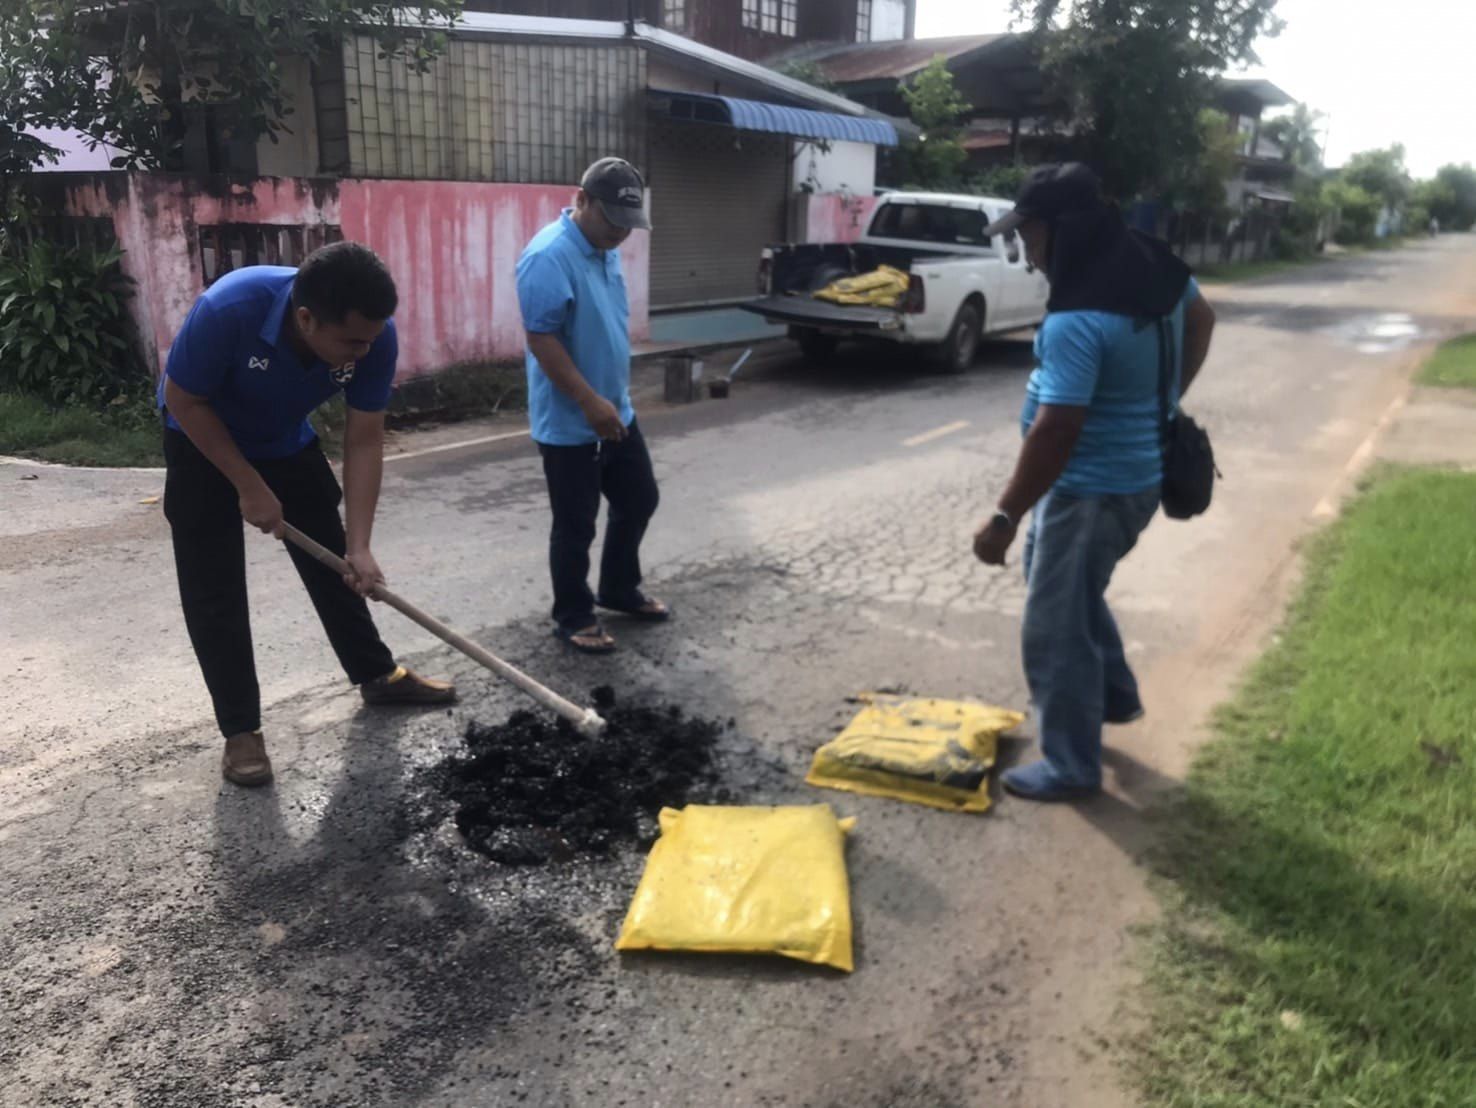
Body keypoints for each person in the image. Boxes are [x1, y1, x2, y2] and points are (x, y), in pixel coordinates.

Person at [159, 242, 456, 788]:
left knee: (336, 562)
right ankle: (241, 731)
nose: (363, 352)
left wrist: (361, 546)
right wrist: (247, 485)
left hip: (284, 441)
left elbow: (364, 439)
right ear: (305, 318)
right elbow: (183, 400)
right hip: (200, 439)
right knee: (214, 589)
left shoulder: (372, 336)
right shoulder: (230, 308)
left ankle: (376, 674)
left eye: (370, 340)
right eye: (350, 342)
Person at [972, 163, 1217, 802]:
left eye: (1028, 235)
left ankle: (1071, 765)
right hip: (1132, 479)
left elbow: (1056, 431)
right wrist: (1161, 399)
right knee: (1071, 595)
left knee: (1055, 626)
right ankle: (1114, 696)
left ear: (1062, 232)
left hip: (1089, 490)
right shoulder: (1153, 267)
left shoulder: (1077, 319)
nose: (1026, 252)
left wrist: (1003, 516)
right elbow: (1203, 319)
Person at [516, 157, 669, 654]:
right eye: (612, 222)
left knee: (639, 498)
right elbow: (542, 339)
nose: (620, 234)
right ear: (580, 200)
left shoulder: (603, 246)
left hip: (615, 411)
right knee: (576, 524)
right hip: (571, 422)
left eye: (628, 226)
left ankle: (619, 588)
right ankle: (573, 614)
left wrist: (611, 401)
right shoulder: (549, 256)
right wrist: (587, 401)